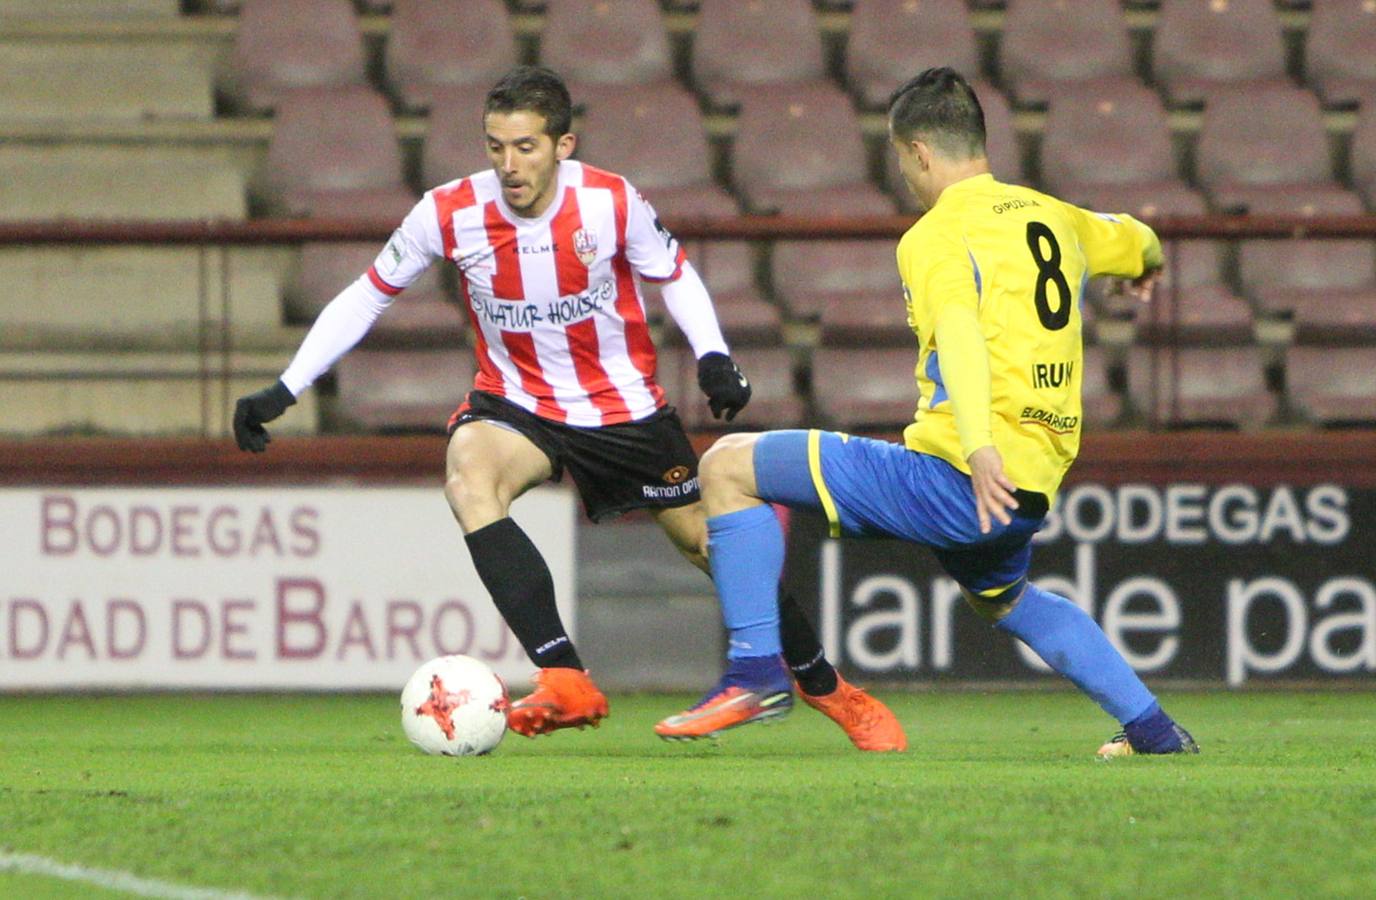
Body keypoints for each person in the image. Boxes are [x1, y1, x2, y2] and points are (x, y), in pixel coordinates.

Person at [233, 66, 904, 751]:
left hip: (623, 408)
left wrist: (713, 356)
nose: (509, 165)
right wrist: (286, 387)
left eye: (525, 147)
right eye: (496, 146)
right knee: (469, 479)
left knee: (715, 549)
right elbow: (368, 294)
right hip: (516, 401)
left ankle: (825, 686)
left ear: (563, 145)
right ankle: (563, 674)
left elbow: (675, 275)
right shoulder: (448, 211)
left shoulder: (611, 202)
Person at [657, 67, 1198, 759]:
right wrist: (1144, 265)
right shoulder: (1057, 217)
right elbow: (1138, 236)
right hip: (1031, 484)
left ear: (917, 151)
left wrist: (977, 448)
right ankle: (1154, 731)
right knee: (1005, 598)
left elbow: (960, 334)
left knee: (727, 465)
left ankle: (756, 673)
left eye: (899, 159)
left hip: (959, 475)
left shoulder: (936, 235)